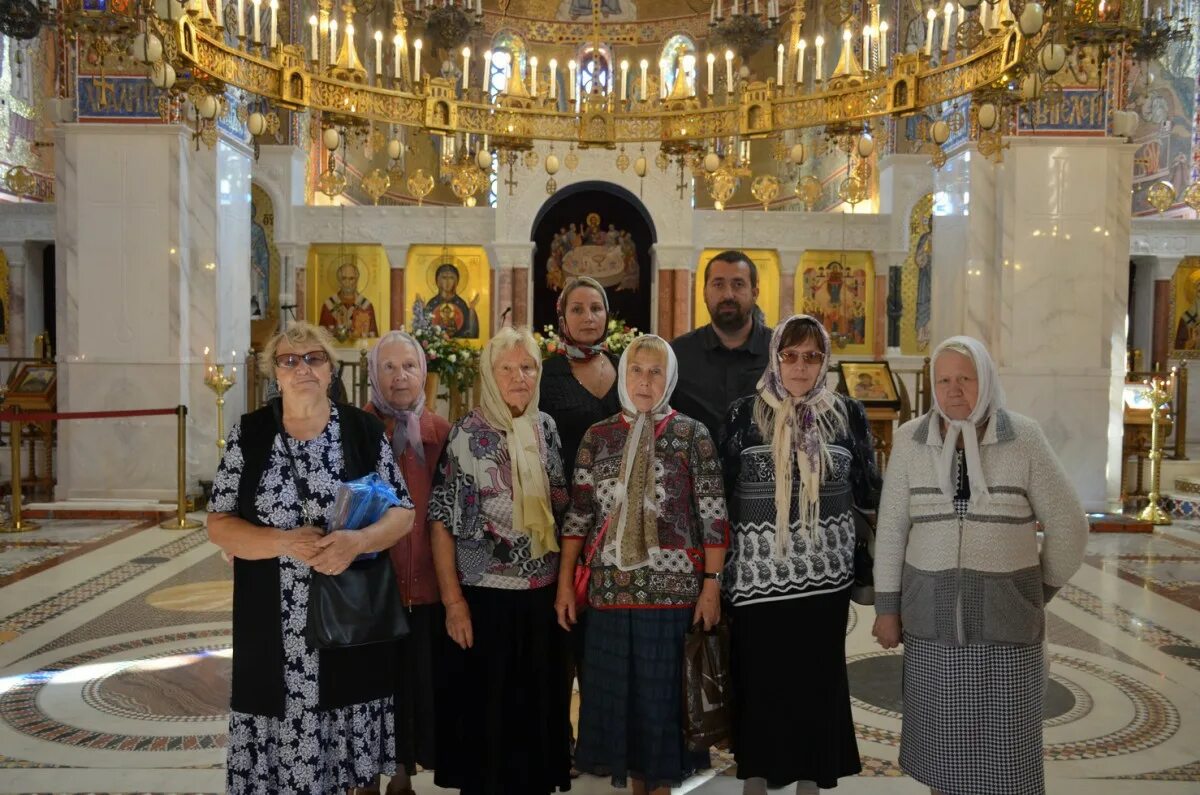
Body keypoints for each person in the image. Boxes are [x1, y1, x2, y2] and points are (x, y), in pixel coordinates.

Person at [871, 336, 1088, 795]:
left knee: (1006, 755)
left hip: (1006, 629)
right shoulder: (912, 439)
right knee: (942, 752)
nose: (954, 390)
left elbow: (1070, 525)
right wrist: (888, 608)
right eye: (944, 380)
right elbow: (891, 531)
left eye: (965, 379)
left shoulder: (1022, 437)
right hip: (932, 624)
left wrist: (1034, 591)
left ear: (985, 380)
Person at [206, 321, 416, 794]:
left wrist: (357, 542)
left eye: (314, 358)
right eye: (289, 360)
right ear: (273, 373)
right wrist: (283, 542)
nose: (302, 368)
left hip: (347, 611)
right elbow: (218, 523)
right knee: (279, 728)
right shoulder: (252, 435)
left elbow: (402, 511)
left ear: (331, 369)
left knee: (345, 748)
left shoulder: (362, 431)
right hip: (271, 621)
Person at [557, 334, 729, 795]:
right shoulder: (599, 437)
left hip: (674, 601)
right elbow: (578, 515)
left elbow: (713, 517)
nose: (645, 381)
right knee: (624, 710)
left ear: (669, 377)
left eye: (655, 371)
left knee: (663, 708)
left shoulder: (693, 436)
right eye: (636, 370)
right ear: (623, 375)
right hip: (611, 597)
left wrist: (711, 586)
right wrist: (562, 587)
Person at [720, 315, 880, 795]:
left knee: (816, 683)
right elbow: (722, 496)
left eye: (811, 356)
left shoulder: (847, 413)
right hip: (755, 579)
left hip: (824, 580)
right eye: (789, 355)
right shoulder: (743, 413)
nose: (800, 366)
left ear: (824, 361)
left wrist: (875, 577)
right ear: (775, 357)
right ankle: (756, 778)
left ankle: (810, 780)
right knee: (761, 682)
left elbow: (868, 494)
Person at [429, 326, 573, 794]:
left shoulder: (545, 428)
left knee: (536, 710)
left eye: (527, 367)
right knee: (488, 714)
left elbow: (563, 505)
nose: (519, 377)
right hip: (483, 596)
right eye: (506, 368)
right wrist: (453, 603)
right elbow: (441, 523)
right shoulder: (466, 435)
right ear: (490, 375)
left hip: (542, 597)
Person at [363, 330, 452, 795]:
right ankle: (363, 781)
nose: (400, 377)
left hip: (429, 591)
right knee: (369, 692)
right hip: (371, 593)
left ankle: (402, 779)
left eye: (409, 366)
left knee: (412, 691)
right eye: (389, 367)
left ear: (424, 373)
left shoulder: (441, 432)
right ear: (373, 374)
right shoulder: (353, 430)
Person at [671, 250, 771, 442]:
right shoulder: (677, 354)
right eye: (718, 284)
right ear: (705, 293)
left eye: (738, 284)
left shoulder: (780, 353)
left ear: (755, 293)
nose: (728, 294)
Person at [320, 260, 379, 338]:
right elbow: (322, 337)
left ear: (356, 280)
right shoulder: (329, 305)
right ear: (339, 280)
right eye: (344, 278)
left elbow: (372, 337)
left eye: (351, 278)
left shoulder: (366, 306)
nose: (348, 282)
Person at [424, 262, 480, 339]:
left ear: (456, 281)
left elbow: (471, 334)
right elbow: (425, 332)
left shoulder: (461, 304)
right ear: (437, 281)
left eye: (451, 278)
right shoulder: (432, 304)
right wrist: (422, 311)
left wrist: (472, 310)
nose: (447, 281)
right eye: (444, 277)